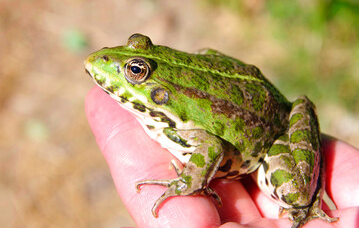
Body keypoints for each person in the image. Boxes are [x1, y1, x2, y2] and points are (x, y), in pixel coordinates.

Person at [85, 86, 359, 228]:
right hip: (259, 100)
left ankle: (310, 201)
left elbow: (212, 149)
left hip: (270, 139)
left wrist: (185, 182)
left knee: (297, 193)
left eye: (136, 71)